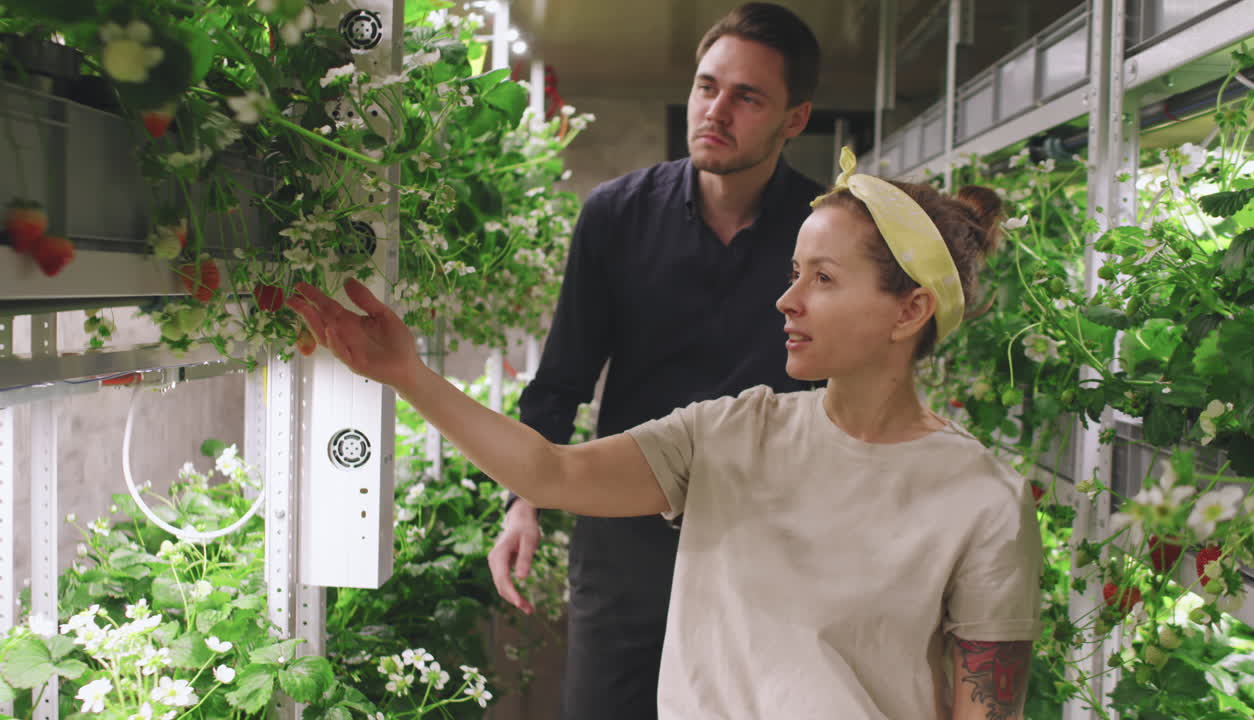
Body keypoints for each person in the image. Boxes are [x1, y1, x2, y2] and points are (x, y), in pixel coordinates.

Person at [285, 147, 1044, 719]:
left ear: (908, 312)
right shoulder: (733, 432)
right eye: (793, 271)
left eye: (823, 278)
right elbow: (551, 473)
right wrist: (410, 376)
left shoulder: (980, 502)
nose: (786, 300)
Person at [489, 3, 824, 718]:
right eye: (708, 87)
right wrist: (523, 500)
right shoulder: (615, 215)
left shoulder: (828, 231)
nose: (716, 109)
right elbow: (565, 375)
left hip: (770, 540)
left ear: (794, 119)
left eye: (747, 96)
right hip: (625, 535)